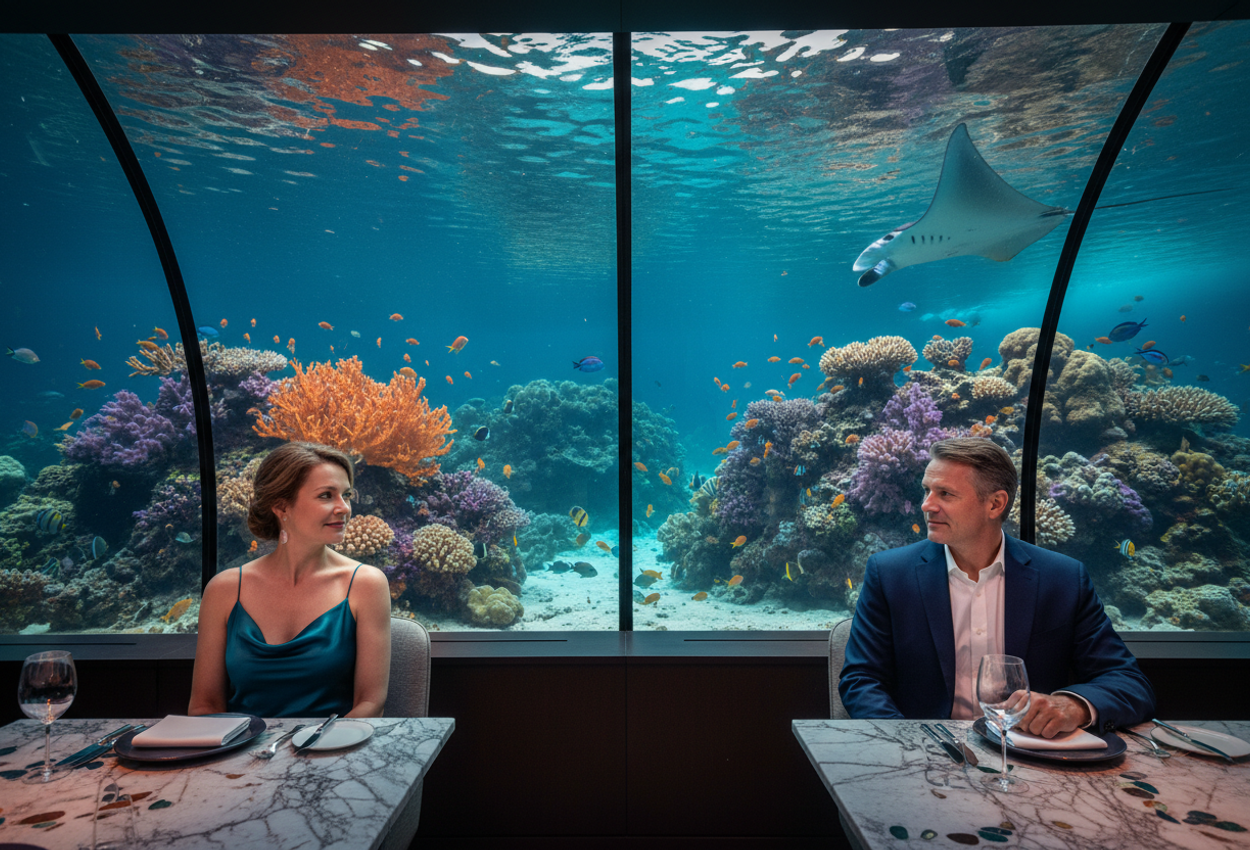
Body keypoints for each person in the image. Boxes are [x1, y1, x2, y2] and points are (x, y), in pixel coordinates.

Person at [838, 437, 1155, 736]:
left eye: (945, 494)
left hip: (1033, 762)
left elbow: (1128, 683)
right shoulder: (890, 573)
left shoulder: (1064, 579)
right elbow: (861, 679)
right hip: (925, 757)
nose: (926, 505)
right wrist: (911, 742)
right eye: (926, 491)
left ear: (995, 504)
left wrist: (1072, 706)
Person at [190, 442, 391, 718]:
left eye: (346, 495)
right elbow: (204, 707)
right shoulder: (223, 590)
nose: (343, 508)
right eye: (326, 496)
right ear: (281, 507)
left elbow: (370, 705)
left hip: (333, 752)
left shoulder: (367, 585)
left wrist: (310, 755)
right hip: (237, 754)